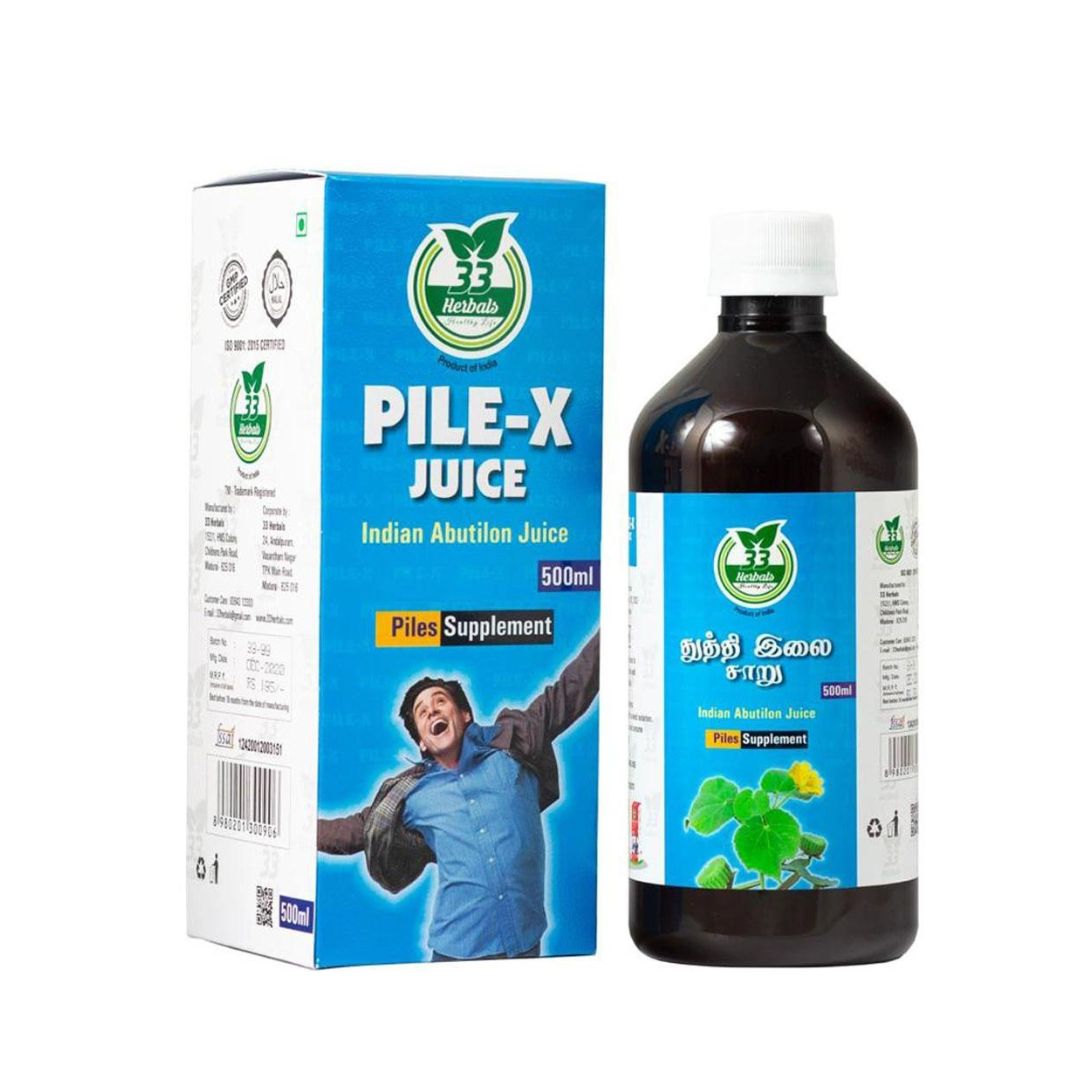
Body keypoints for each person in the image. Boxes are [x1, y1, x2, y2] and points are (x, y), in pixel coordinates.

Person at [317, 629, 599, 961]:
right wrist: (290, 827)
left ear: (464, 715)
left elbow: (571, 688)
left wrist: (614, 632)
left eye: (440, 701)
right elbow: (353, 831)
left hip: (526, 942)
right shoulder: (411, 795)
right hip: (456, 953)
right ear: (422, 742)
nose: (432, 711)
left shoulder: (513, 745)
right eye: (422, 712)